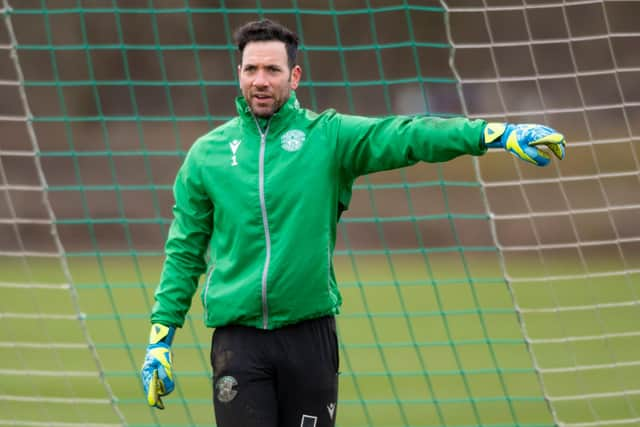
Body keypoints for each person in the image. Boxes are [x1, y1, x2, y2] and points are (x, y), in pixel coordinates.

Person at [140, 18, 566, 427]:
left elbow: (407, 135)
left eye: (273, 69)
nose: (261, 80)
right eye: (251, 69)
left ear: (295, 76)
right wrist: (160, 338)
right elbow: (184, 252)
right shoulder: (206, 156)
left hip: (310, 340)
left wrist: (493, 135)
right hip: (239, 344)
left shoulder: (328, 137)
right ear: (239, 74)